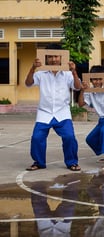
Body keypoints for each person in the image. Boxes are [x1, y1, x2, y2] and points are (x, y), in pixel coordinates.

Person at [25, 43, 81, 171]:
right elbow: (28, 83)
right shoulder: (40, 74)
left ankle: (72, 162)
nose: (54, 59)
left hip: (62, 112)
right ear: (46, 58)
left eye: (56, 56)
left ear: (61, 57)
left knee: (69, 137)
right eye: (50, 57)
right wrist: (33, 68)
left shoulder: (67, 74)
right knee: (37, 138)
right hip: (44, 112)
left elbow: (77, 87)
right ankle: (39, 162)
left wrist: (74, 72)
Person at [77, 65, 104, 171]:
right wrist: (82, 90)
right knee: (90, 139)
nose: (97, 82)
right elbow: (80, 104)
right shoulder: (90, 90)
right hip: (103, 118)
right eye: (94, 79)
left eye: (99, 79)